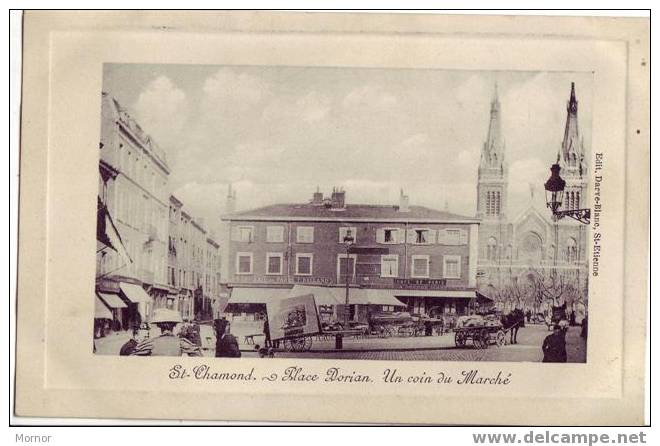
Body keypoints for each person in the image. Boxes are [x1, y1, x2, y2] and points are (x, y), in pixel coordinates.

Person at [131, 309, 202, 357]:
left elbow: (133, 355)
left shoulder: (151, 343)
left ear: (159, 325)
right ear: (174, 325)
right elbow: (198, 354)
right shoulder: (181, 342)